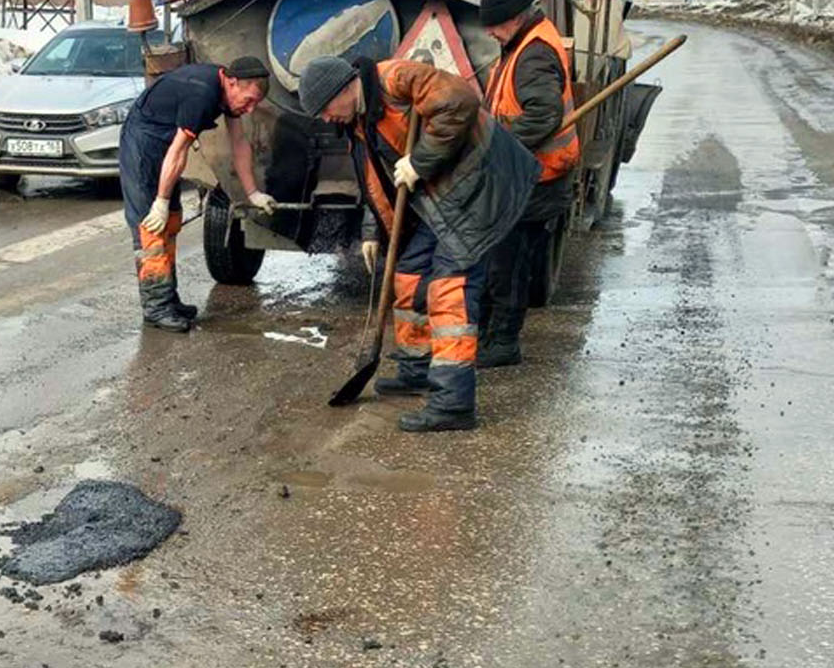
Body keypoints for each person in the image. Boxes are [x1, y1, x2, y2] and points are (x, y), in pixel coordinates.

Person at [298, 54, 538, 432]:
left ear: (345, 89)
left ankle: (454, 402)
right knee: (407, 273)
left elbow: (460, 101)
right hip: (441, 198)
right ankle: (416, 368)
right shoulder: (358, 123)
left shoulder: (396, 79)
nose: (326, 119)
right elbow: (376, 180)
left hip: (481, 186)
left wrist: (420, 161)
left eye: (326, 109)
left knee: (449, 289)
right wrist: (372, 231)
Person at [119, 57, 277, 332]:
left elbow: (239, 143)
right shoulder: (202, 94)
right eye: (248, 100)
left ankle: (169, 299)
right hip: (143, 143)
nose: (250, 109)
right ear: (231, 82)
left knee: (171, 221)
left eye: (255, 104)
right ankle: (156, 308)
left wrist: (253, 194)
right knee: (151, 226)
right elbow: (179, 151)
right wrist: (161, 201)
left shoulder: (227, 92)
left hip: (164, 142)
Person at [476, 0, 581, 368]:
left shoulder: (534, 54)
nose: (490, 33)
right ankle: (491, 334)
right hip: (529, 174)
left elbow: (543, 115)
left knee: (510, 265)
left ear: (514, 17)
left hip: (538, 179)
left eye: (494, 24)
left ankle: (503, 343)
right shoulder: (524, 42)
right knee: (502, 261)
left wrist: (494, 142)